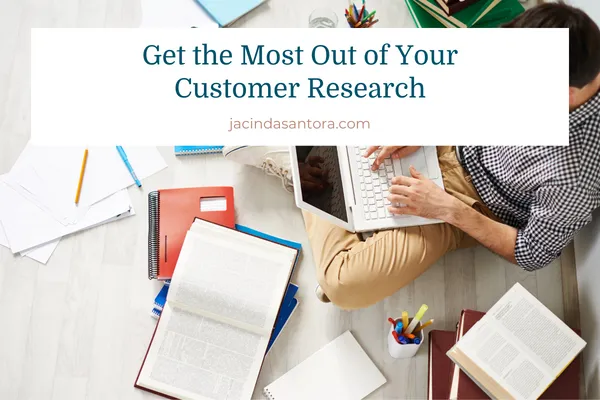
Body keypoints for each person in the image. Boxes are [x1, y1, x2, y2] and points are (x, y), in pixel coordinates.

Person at [223, 2, 600, 309]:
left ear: (564, 95)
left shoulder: (576, 176)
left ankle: (304, 162)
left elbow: (532, 251)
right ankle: (330, 165)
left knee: (342, 284)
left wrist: (447, 209)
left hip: (465, 204)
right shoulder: (557, 38)